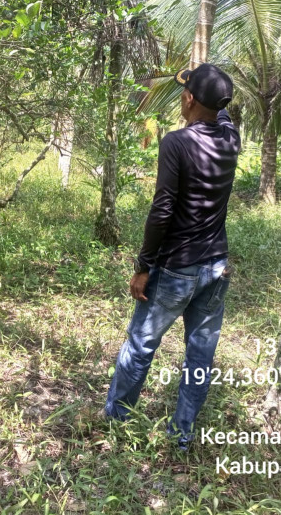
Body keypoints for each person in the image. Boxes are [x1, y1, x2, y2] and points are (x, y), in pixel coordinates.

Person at [104, 63, 240, 449]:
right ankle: (181, 436)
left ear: (189, 99)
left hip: (177, 267)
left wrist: (143, 266)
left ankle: (116, 422)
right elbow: (223, 106)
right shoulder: (231, 137)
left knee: (141, 345)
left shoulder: (176, 143)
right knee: (200, 357)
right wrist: (204, 79)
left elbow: (162, 210)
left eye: (186, 91)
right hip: (216, 266)